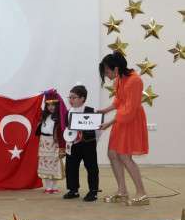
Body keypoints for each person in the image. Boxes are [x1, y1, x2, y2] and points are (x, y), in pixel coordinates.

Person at [97, 52, 150, 206]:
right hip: (121, 118)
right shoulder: (120, 79)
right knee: (112, 154)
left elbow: (130, 108)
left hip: (131, 120)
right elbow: (119, 101)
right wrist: (104, 111)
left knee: (125, 156)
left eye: (107, 71)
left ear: (116, 68)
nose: (106, 75)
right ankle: (122, 191)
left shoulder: (135, 80)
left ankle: (142, 194)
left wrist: (109, 123)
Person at [63, 85, 100, 202]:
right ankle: (73, 190)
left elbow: (98, 129)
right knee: (71, 167)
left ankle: (93, 191)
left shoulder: (91, 111)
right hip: (73, 144)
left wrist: (92, 141)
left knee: (91, 167)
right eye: (70, 97)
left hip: (88, 144)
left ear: (82, 98)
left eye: (73, 97)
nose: (71, 100)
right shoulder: (68, 112)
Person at [36, 90, 67, 194]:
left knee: (54, 165)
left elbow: (61, 133)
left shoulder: (59, 118)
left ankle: (54, 186)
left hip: (54, 144)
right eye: (48, 105)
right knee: (45, 166)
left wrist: (62, 147)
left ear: (57, 105)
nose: (51, 107)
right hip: (44, 143)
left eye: (53, 105)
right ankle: (48, 187)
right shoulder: (44, 116)